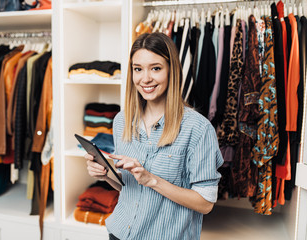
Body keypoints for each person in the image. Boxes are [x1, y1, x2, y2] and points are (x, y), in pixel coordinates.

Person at [84, 32, 224, 240]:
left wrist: (152, 180)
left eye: (156, 68)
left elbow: (205, 204)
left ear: (171, 71)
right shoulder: (121, 120)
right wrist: (106, 174)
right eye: (138, 69)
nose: (145, 78)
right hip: (119, 232)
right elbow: (128, 188)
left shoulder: (198, 129)